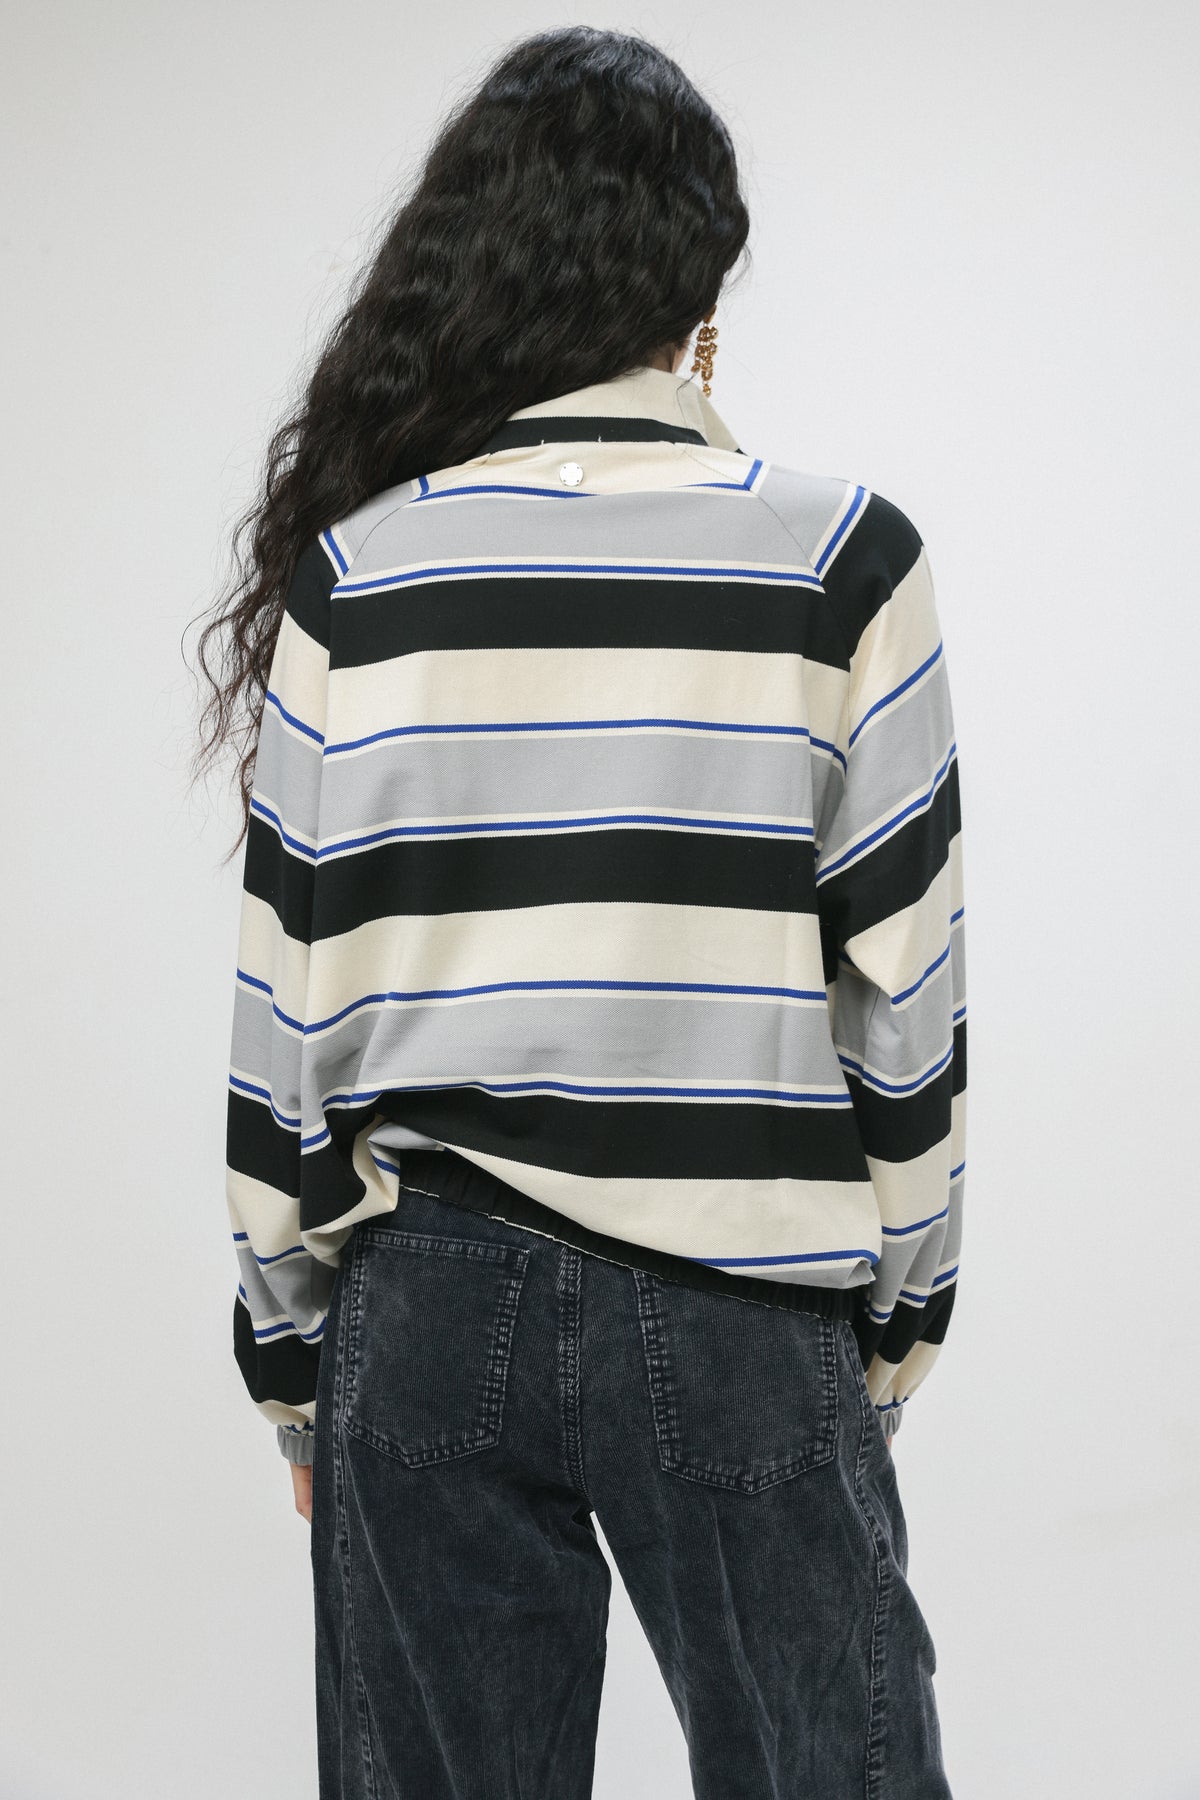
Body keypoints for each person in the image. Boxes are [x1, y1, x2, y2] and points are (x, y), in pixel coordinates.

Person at [194, 24, 965, 1799]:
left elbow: (286, 1011)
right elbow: (905, 990)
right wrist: (897, 1318)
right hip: (743, 1298)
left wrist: (293, 1353)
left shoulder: (360, 574)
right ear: (703, 276)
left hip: (425, 1300)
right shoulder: (843, 558)